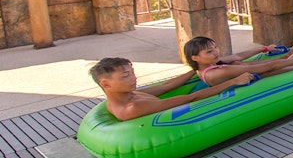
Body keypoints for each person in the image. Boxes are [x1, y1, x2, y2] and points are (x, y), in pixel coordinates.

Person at [182, 21, 293, 88]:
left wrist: (264, 49)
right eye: (209, 51)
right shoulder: (216, 73)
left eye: (215, 47)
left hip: (261, 70)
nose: (216, 52)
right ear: (195, 58)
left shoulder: (212, 64)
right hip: (266, 74)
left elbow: (239, 56)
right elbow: (265, 67)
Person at [89, 57, 255, 121]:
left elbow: (165, 86)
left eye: (132, 73)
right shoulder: (133, 107)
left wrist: (195, 69)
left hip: (178, 103)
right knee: (236, 74)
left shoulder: (127, 94)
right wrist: (233, 81)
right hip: (186, 117)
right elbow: (192, 98)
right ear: (106, 84)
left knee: (231, 65)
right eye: (126, 76)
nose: (133, 78)